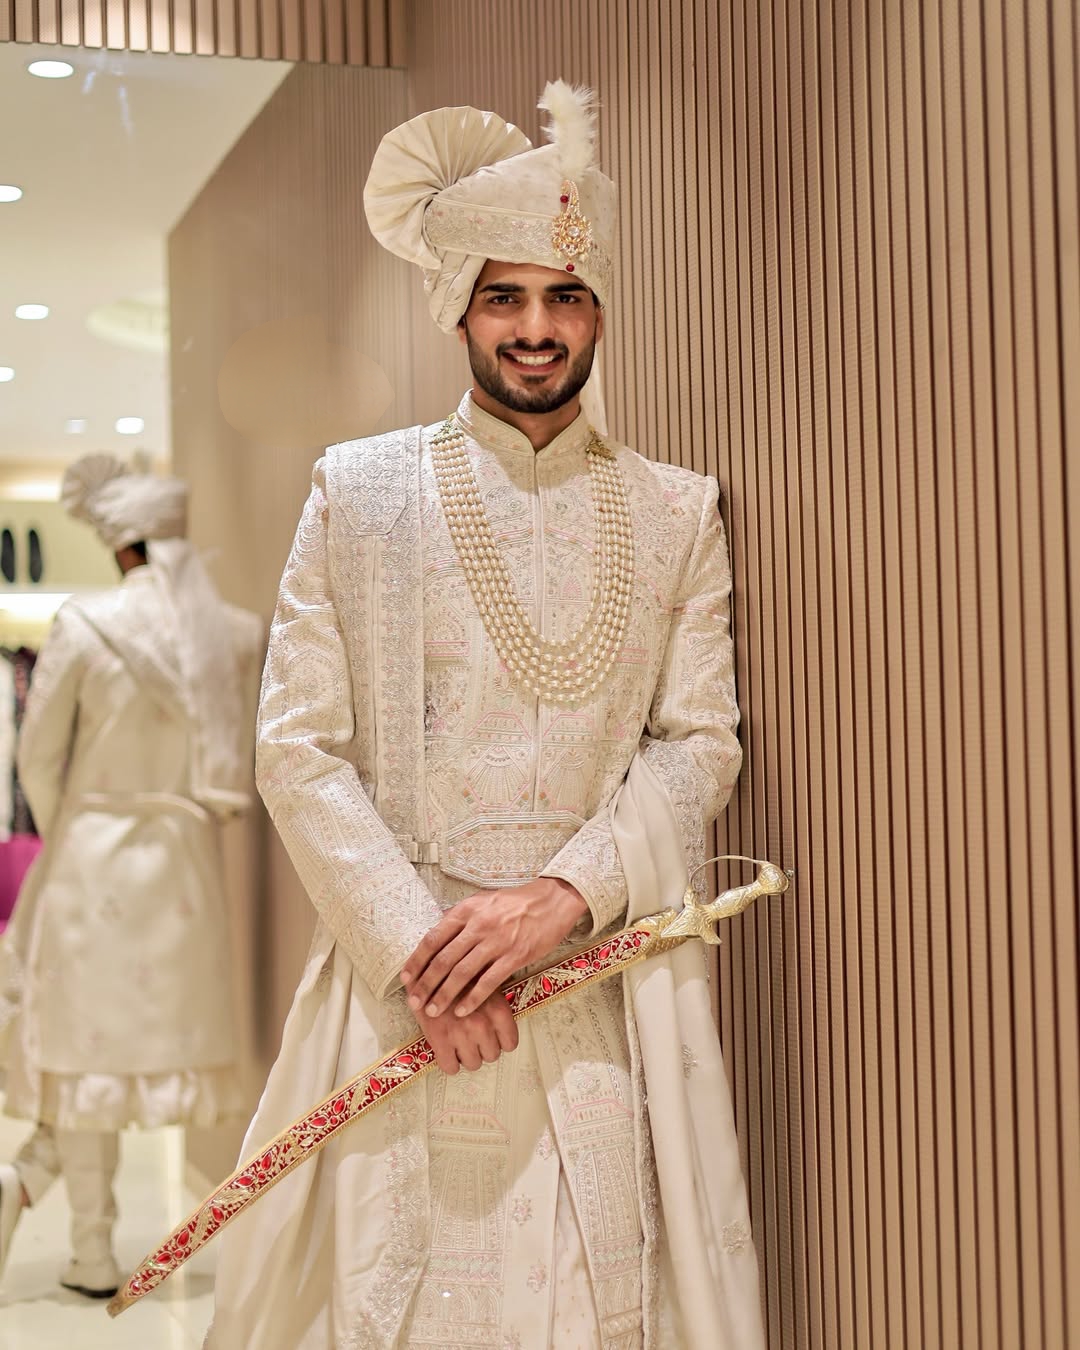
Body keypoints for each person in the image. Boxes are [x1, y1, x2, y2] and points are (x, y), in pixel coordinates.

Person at [205, 81, 764, 1349]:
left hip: (591, 979)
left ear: (600, 310)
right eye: (504, 296)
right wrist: (423, 951)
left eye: (565, 296)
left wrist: (560, 899)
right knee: (388, 1304)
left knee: (596, 1305)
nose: (536, 329)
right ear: (458, 306)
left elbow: (699, 744)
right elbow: (298, 747)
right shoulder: (361, 490)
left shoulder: (679, 512)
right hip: (406, 984)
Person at [0, 455, 262, 1298]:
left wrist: (75, 814)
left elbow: (38, 756)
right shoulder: (234, 631)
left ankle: (90, 1247)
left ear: (119, 545)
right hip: (184, 868)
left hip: (93, 856)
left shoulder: (85, 624)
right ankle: (73, 1216)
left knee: (83, 1056)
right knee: (145, 1049)